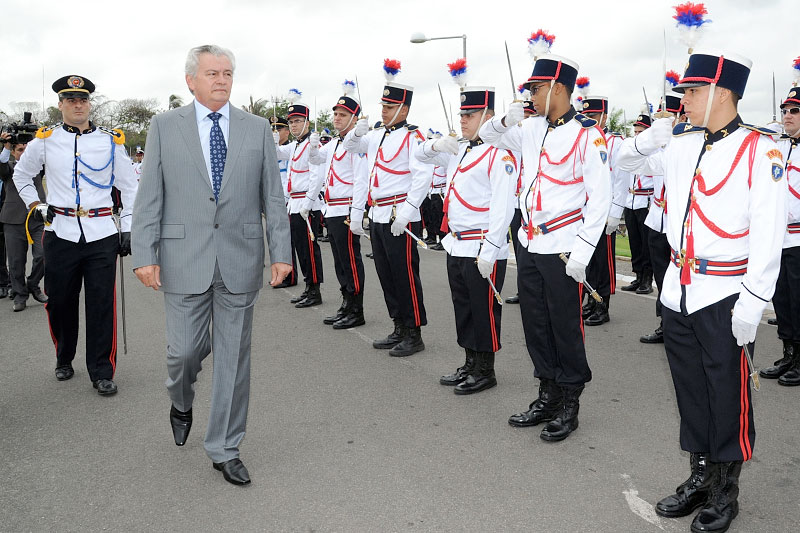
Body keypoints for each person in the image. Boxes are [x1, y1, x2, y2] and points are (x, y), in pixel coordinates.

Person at [616, 51, 785, 533]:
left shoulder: (761, 149)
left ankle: (726, 490)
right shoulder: (679, 142)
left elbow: (768, 234)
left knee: (727, 393)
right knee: (689, 388)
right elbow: (622, 160)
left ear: (722, 93)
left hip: (727, 292)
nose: (682, 99)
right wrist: (658, 131)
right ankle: (700, 474)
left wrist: (753, 303)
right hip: (679, 289)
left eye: (691, 91)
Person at [132, 45, 292, 486]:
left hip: (240, 258)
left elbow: (272, 196)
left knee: (234, 359)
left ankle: (225, 447)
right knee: (183, 353)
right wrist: (144, 254)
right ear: (191, 80)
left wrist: (281, 253)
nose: (221, 80)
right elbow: (149, 197)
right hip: (183, 257)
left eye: (226, 73)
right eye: (211, 73)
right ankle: (180, 400)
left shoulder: (257, 129)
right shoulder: (164, 127)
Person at [480, 53, 611, 442]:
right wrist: (508, 118)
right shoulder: (530, 128)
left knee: (565, 325)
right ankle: (547, 392)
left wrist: (584, 253)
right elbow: (486, 135)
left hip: (564, 246)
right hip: (530, 240)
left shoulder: (588, 134)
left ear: (558, 87)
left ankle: (570, 399)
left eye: (536, 89)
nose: (531, 95)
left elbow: (599, 199)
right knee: (535, 322)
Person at [12, 75, 138, 394]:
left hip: (101, 233)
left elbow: (130, 186)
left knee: (100, 304)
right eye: (71, 100)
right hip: (61, 231)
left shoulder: (111, 141)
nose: (77, 105)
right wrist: (37, 205)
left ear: (89, 103)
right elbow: (22, 174)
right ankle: (64, 356)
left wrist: (128, 227)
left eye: (82, 100)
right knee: (60, 302)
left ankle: (101, 370)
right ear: (61, 105)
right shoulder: (45, 139)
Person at [417, 85, 517, 394]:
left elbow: (503, 207)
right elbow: (419, 155)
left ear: (488, 116)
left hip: (482, 245)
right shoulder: (459, 149)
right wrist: (437, 145)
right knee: (464, 307)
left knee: (483, 308)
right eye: (461, 114)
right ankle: (470, 362)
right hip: (456, 243)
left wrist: (492, 249)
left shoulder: (500, 153)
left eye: (469, 115)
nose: (463, 120)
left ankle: (485, 369)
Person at [343, 59, 431, 357]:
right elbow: (351, 149)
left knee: (404, 274)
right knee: (386, 273)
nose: (384, 110)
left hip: (400, 215)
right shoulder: (377, 134)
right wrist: (358, 132)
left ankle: (414, 331)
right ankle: (399, 326)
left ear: (404, 110)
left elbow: (422, 178)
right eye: (382, 105)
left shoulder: (412, 136)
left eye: (389, 107)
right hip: (379, 212)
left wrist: (407, 212)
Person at [303, 82, 367, 329]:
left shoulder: (356, 145)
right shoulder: (335, 143)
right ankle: (346, 303)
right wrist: (313, 145)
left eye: (342, 115)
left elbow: (361, 180)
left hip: (347, 210)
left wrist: (358, 212)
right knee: (340, 261)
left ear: (354, 119)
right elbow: (317, 160)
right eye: (336, 114)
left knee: (351, 261)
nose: (337, 118)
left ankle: (356, 309)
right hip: (332, 208)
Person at [759, 85, 800, 386]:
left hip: (798, 237)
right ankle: (788, 353)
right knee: (782, 300)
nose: (787, 115)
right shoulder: (781, 146)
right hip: (778, 238)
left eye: (794, 111)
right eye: (785, 110)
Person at [640, 94, 685, 343]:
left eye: (667, 116)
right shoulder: (656, 146)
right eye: (659, 116)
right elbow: (632, 162)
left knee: (678, 277)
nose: (662, 120)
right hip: (657, 217)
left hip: (678, 221)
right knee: (661, 275)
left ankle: (679, 324)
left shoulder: (687, 144)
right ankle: (664, 323)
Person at [580, 95, 629, 326]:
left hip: (605, 211)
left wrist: (615, 213)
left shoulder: (615, 142)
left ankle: (603, 306)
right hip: (585, 211)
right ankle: (591, 300)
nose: (588, 119)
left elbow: (621, 180)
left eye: (593, 116)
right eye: (586, 115)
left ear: (604, 116)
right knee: (588, 260)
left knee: (603, 261)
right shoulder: (584, 138)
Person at [274, 97, 324, 308]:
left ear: (307, 122)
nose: (293, 125)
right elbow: (276, 152)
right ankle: (308, 287)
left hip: (307, 204)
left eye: (297, 121)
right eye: (291, 122)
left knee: (310, 250)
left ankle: (315, 290)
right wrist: (274, 138)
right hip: (295, 203)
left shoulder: (313, 145)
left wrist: (309, 203)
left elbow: (317, 176)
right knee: (301, 249)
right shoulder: (294, 146)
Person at [0, 134, 47, 311]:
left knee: (44, 254)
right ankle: (20, 295)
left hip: (38, 217)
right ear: (12, 153)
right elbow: (1, 167)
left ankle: (33, 284)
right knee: (16, 261)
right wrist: (5, 146)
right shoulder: (8, 168)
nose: (24, 153)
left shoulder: (37, 167)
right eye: (20, 150)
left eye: (26, 149)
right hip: (13, 219)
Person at [620, 113, 655, 295]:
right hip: (630, 200)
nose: (637, 135)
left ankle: (647, 279)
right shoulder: (632, 150)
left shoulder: (655, 151)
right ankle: (638, 275)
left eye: (641, 132)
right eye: (635, 131)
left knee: (646, 243)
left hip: (645, 200)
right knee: (634, 241)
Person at [269, 115, 299, 289]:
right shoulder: (274, 149)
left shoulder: (289, 149)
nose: (275, 133)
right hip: (276, 198)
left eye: (278, 129)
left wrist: (286, 197)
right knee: (280, 238)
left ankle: (290, 276)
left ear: (287, 132)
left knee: (288, 239)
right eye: (272, 130)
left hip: (288, 198)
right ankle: (284, 274)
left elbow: (289, 176)